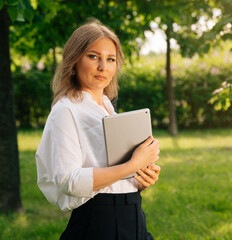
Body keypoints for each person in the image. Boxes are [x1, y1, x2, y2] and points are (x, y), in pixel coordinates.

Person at [35, 19, 161, 240]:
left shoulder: (107, 107)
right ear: (74, 60)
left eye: (110, 59)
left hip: (132, 213)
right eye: (93, 57)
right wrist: (133, 164)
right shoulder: (66, 110)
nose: (103, 67)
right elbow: (69, 181)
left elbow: (110, 173)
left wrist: (139, 179)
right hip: (100, 222)